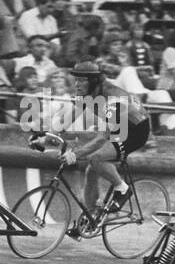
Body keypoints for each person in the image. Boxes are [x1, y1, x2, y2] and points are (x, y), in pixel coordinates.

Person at [55, 61, 152, 228]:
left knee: (96, 158)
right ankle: (92, 215)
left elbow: (102, 137)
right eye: (76, 79)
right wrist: (46, 137)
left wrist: (75, 155)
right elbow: (67, 119)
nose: (77, 84)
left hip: (136, 130)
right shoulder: (87, 93)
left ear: (93, 81)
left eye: (82, 80)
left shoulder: (113, 97)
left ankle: (122, 188)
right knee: (91, 170)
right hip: (120, 125)